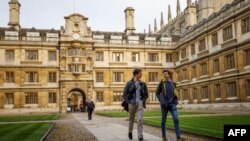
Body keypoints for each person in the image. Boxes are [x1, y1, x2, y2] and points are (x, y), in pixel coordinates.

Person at [156, 69, 184, 141]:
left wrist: (176, 101)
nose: (164, 75)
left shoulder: (173, 83)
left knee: (176, 119)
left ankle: (178, 137)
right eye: (163, 74)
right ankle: (164, 136)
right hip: (164, 105)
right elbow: (157, 93)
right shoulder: (162, 83)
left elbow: (175, 92)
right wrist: (161, 100)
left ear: (169, 75)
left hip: (172, 104)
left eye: (165, 74)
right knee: (163, 121)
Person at [123, 68, 148, 141]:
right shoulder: (129, 83)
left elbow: (146, 95)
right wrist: (128, 102)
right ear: (136, 74)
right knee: (131, 119)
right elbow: (125, 94)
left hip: (140, 104)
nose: (141, 74)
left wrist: (142, 101)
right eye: (140, 73)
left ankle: (140, 136)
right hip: (132, 104)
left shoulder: (143, 84)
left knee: (140, 120)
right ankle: (130, 131)